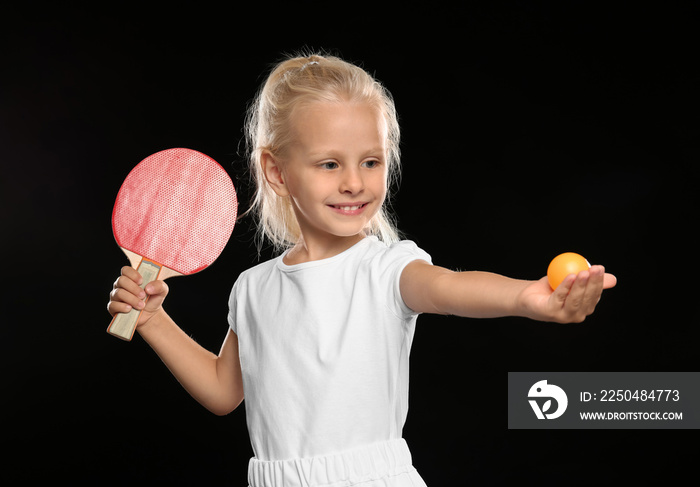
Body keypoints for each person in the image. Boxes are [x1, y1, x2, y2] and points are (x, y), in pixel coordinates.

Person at [107, 52, 617, 487]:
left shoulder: (387, 269)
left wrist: (528, 297)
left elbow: (450, 288)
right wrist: (152, 320)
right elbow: (223, 392)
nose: (355, 182)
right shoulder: (252, 289)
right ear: (277, 172)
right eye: (330, 164)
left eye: (370, 161)